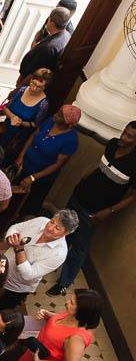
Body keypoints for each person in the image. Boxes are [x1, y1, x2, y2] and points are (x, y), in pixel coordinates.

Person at [47, 121, 136, 296]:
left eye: (129, 136)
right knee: (64, 233)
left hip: (95, 210)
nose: (123, 136)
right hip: (79, 196)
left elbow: (133, 195)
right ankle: (50, 261)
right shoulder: (111, 144)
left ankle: (64, 282)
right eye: (124, 131)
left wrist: (109, 211)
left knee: (80, 247)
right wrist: (84, 178)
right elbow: (102, 168)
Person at [0, 289, 101, 361]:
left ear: (82, 311)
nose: (67, 302)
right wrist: (47, 314)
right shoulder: (71, 314)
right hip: (35, 354)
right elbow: (59, 322)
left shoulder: (76, 338)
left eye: (72, 303)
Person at [0, 210, 77, 310]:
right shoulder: (41, 221)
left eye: (57, 228)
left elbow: (28, 274)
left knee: (3, 309)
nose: (50, 228)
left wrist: (18, 249)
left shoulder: (59, 254)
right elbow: (16, 227)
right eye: (52, 222)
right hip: (0, 266)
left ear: (66, 233)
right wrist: (10, 238)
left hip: (16, 286)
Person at [13, 106, 81, 218]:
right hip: (23, 166)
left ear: (67, 123)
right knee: (13, 196)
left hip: (41, 178)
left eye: (59, 115)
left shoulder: (71, 140)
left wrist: (33, 177)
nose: (55, 114)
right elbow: (34, 135)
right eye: (58, 112)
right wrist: (21, 156)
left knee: (26, 207)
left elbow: (57, 165)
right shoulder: (50, 121)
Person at [0, 68, 52, 159]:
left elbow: (36, 124)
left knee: (6, 157)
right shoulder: (22, 90)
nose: (34, 88)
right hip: (5, 128)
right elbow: (5, 108)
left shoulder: (44, 103)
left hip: (19, 138)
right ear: (31, 79)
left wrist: (21, 123)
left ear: (45, 87)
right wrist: (12, 116)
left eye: (39, 87)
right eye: (33, 83)